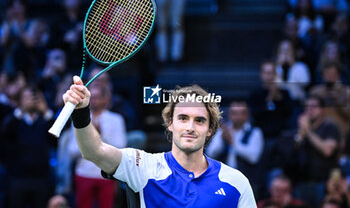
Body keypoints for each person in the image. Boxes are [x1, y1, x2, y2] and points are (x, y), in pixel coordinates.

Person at [63, 76, 257, 207]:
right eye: (183, 118)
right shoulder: (142, 166)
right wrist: (81, 113)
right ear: (170, 123)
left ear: (211, 130)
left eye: (199, 120)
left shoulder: (236, 182)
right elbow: (93, 151)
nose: (190, 127)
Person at [66, 84, 127, 208]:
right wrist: (87, 139)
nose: (94, 100)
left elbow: (122, 147)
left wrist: (100, 135)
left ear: (106, 99)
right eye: (92, 97)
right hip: (83, 173)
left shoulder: (116, 119)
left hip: (107, 174)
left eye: (98, 97)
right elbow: (71, 151)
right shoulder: (78, 119)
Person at [1, 85, 55, 208]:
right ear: (20, 100)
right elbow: (6, 132)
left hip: (41, 178)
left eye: (35, 97)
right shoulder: (14, 119)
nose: (32, 100)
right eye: (27, 97)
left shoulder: (45, 121)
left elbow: (56, 139)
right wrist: (22, 110)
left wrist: (46, 110)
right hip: (17, 178)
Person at [206, 100, 264, 199]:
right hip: (222, 179)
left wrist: (233, 142)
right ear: (229, 114)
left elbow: (253, 157)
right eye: (234, 113)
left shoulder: (255, 132)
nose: (238, 117)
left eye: (241, 113)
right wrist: (222, 140)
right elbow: (210, 154)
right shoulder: (221, 132)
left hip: (247, 179)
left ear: (247, 115)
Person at [293, 95, 341, 207]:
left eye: (314, 106)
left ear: (323, 110)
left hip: (323, 182)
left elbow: (327, 151)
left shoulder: (330, 127)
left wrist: (308, 132)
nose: (310, 110)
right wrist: (300, 135)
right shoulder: (301, 129)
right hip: (302, 183)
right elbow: (293, 152)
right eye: (307, 107)